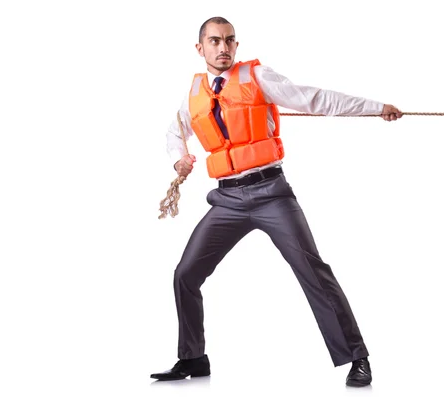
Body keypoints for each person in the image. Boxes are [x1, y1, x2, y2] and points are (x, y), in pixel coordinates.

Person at [151, 16, 403, 387]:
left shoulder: (257, 77)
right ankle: (193, 358)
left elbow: (313, 98)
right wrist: (179, 157)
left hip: (271, 194)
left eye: (229, 41)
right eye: (215, 41)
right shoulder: (194, 95)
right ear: (200, 48)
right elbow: (175, 131)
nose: (223, 48)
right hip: (228, 200)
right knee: (185, 275)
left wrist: (375, 107)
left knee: (314, 273)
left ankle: (357, 358)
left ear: (236, 46)